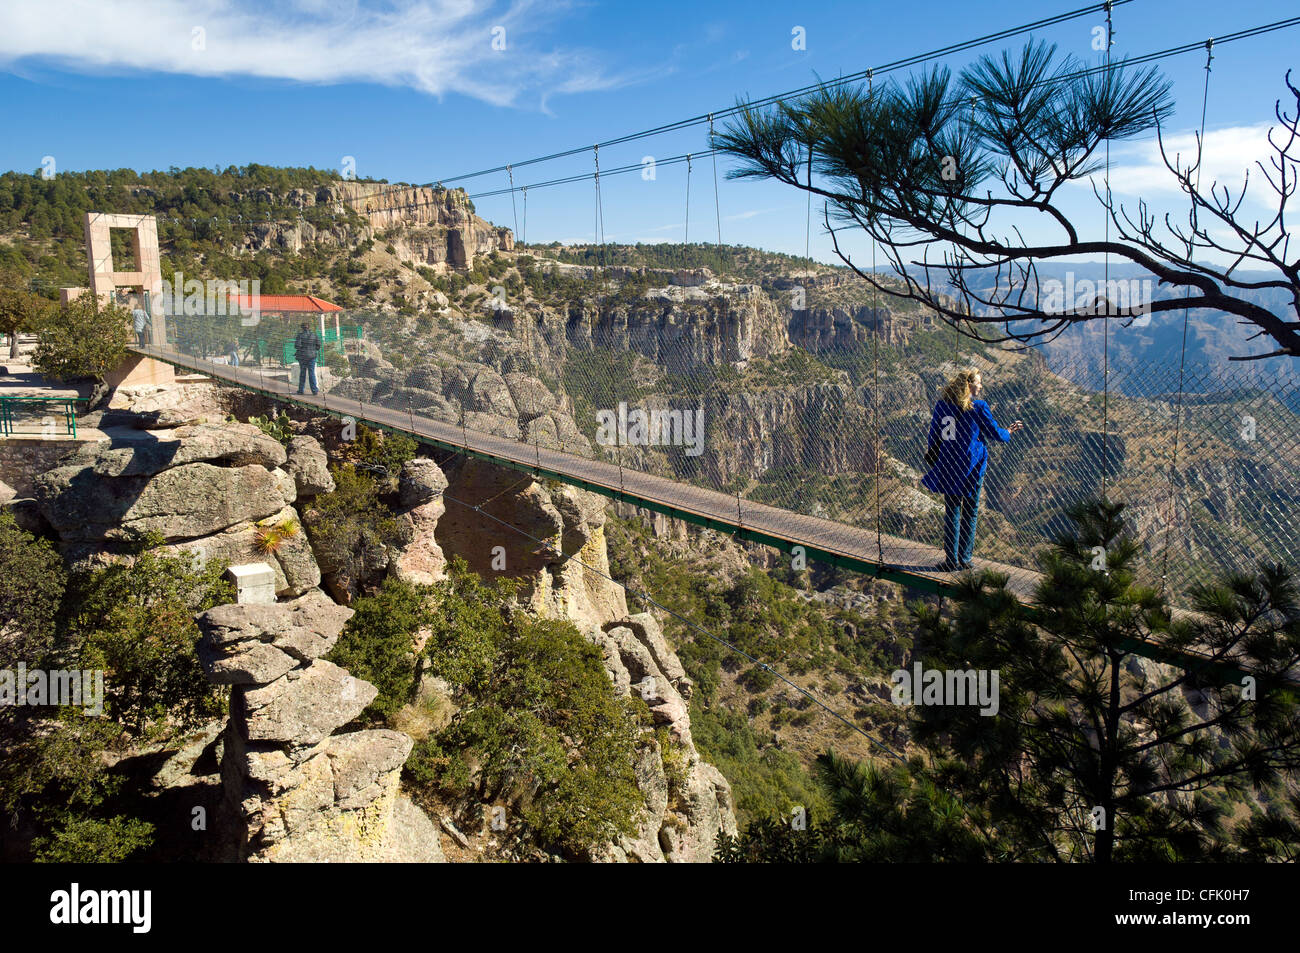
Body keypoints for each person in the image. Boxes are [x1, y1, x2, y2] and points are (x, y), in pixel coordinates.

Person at [921, 368, 1024, 572]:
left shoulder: (943, 405)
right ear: (969, 385)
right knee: (970, 511)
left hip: (949, 464)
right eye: (978, 382)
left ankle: (951, 560)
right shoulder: (978, 407)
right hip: (971, 466)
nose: (981, 386)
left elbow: (934, 434)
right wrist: (1009, 431)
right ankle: (965, 558)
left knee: (952, 511)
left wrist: (937, 457)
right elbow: (995, 433)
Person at [293, 322, 321, 395]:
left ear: (302, 328)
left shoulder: (300, 336)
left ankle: (301, 390)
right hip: (312, 357)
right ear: (309, 327)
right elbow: (318, 346)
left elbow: (297, 346)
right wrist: (312, 350)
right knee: (311, 373)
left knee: (302, 373)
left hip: (302, 357)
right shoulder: (314, 335)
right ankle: (314, 390)